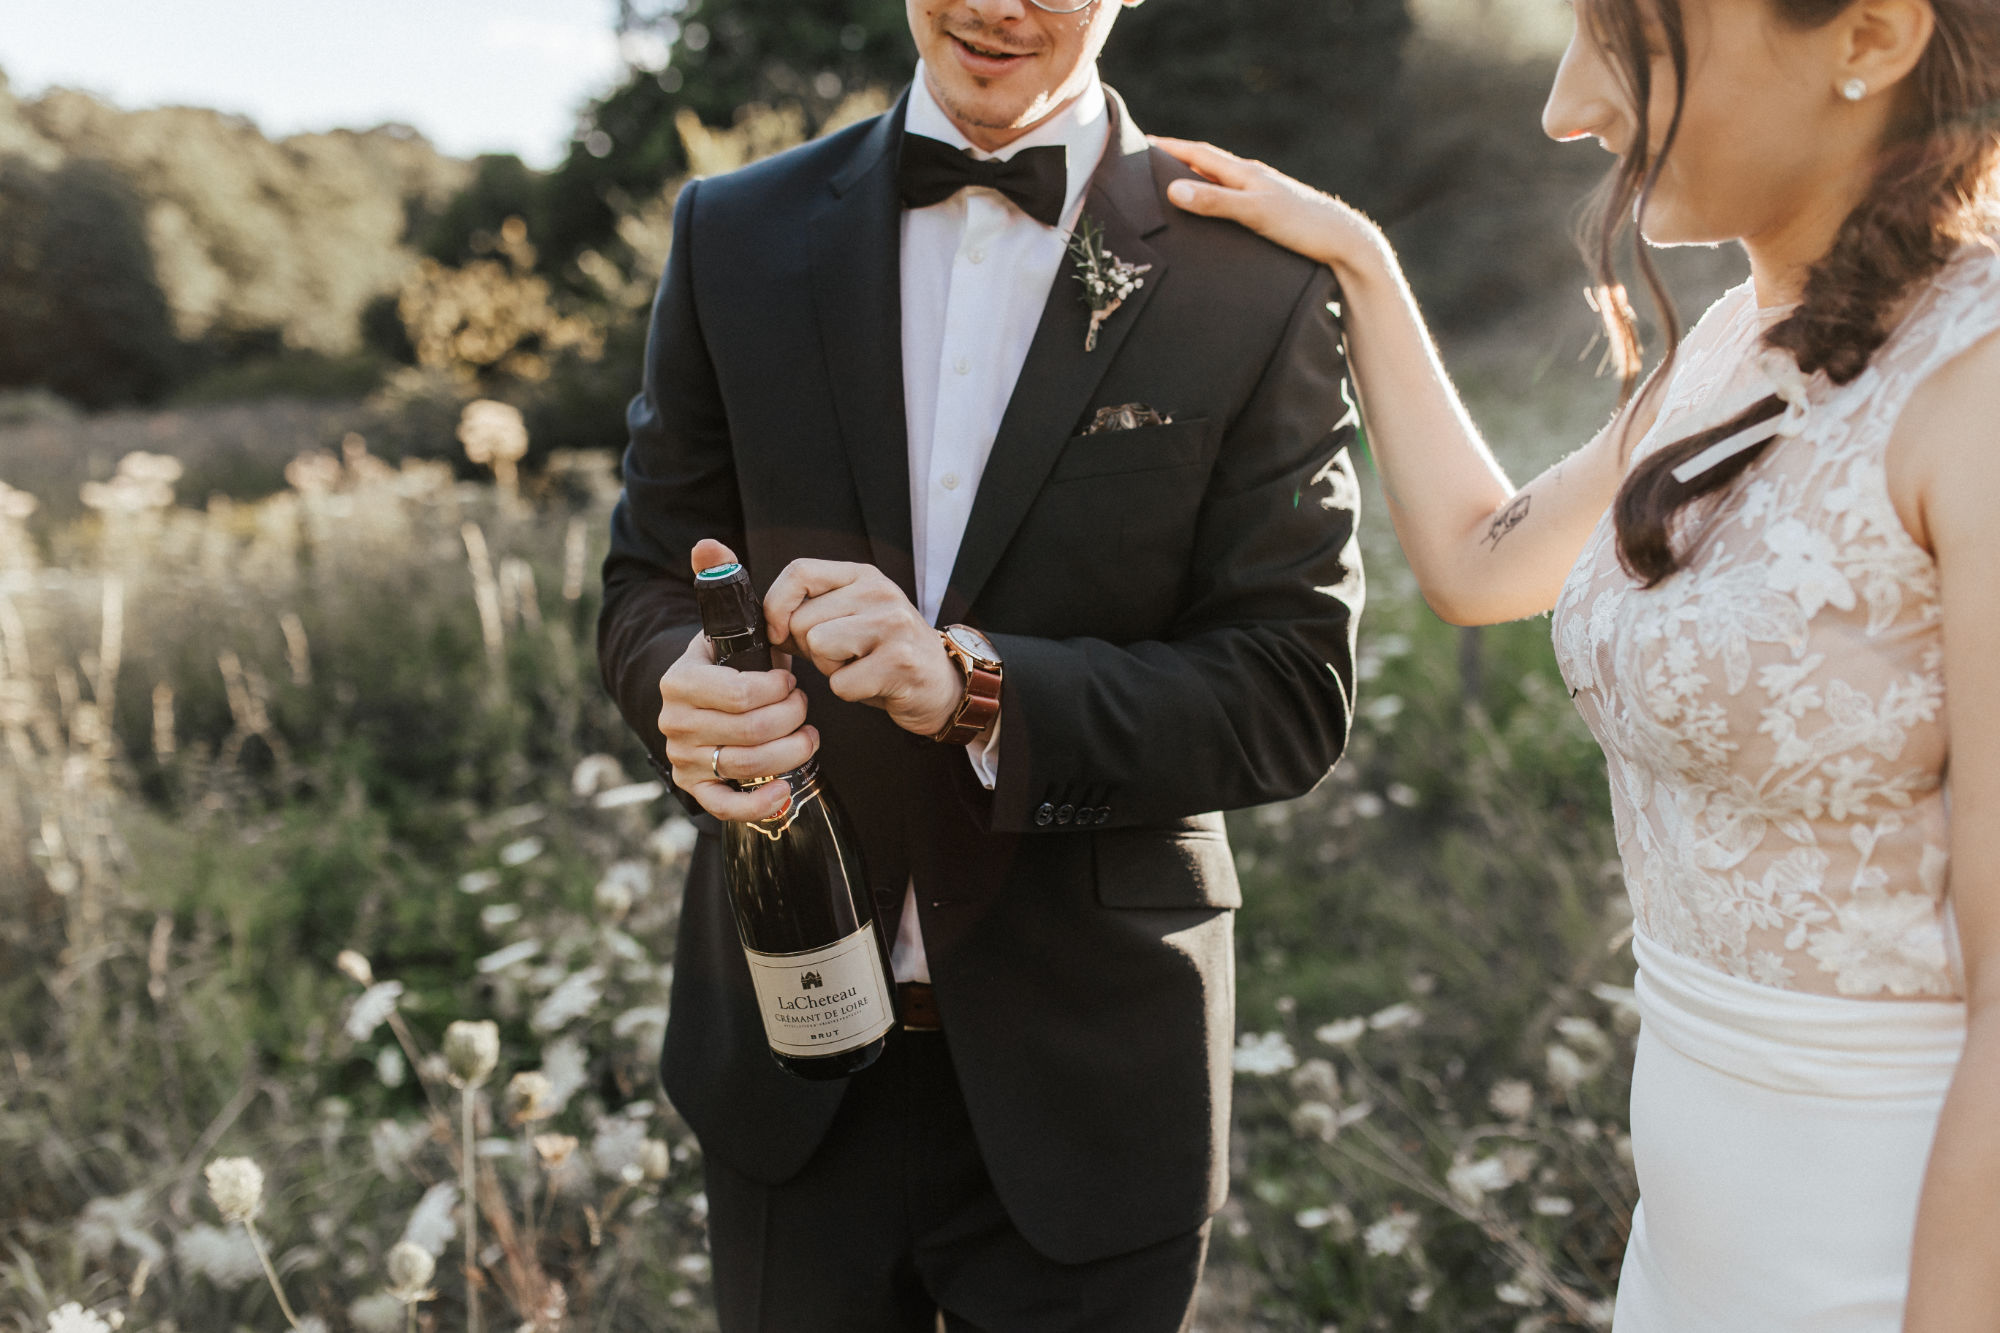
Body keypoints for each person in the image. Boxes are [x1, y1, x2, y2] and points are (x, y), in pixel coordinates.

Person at [1157, 0, 2000, 1325]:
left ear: (1872, 36)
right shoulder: (1733, 344)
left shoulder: (1982, 386)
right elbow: (1480, 558)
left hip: (1892, 1253)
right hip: (1687, 1249)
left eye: (1629, 40)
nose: (1566, 106)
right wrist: (1362, 265)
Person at [595, 0, 1365, 1326]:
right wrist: (681, 680)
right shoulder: (735, 233)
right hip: (788, 1070)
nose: (998, 5)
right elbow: (655, 576)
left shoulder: (1261, 275)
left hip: (1097, 1079)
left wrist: (976, 689)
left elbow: (1291, 688)